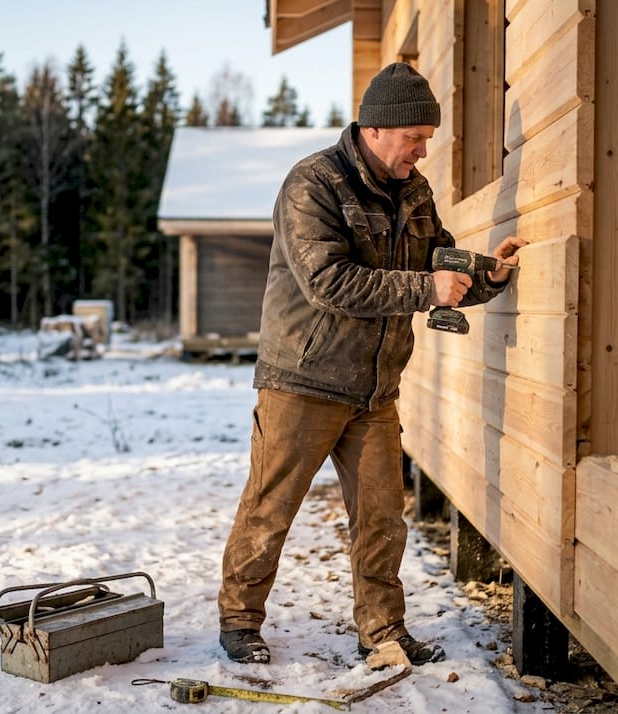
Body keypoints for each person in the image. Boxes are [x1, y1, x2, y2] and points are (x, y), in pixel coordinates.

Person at [217, 62, 528, 667]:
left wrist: (487, 272)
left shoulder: (414, 189)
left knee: (384, 516)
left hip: (375, 389)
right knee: (270, 507)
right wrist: (426, 289)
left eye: (427, 138)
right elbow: (329, 282)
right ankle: (239, 621)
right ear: (377, 129)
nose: (422, 150)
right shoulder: (313, 183)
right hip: (302, 383)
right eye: (415, 137)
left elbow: (438, 257)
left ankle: (382, 631)